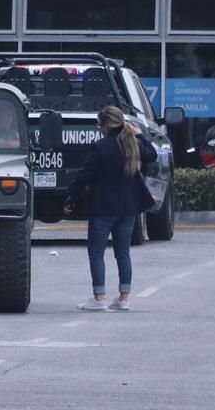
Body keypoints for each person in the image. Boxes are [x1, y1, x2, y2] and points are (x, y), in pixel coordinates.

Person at [63, 106, 157, 311]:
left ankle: (99, 298)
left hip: (103, 206)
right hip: (129, 206)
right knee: (122, 252)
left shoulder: (101, 147)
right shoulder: (132, 144)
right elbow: (152, 155)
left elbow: (85, 176)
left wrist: (71, 197)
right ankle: (124, 298)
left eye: (99, 125)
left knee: (96, 252)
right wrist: (139, 135)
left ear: (105, 126)